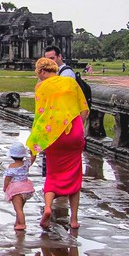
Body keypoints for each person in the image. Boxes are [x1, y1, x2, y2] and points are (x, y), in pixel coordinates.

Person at [26, 57, 89, 229]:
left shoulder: (41, 87)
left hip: (54, 134)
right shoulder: (70, 83)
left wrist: (34, 144)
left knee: (53, 174)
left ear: (42, 72)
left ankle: (47, 208)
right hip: (74, 131)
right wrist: (78, 130)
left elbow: (41, 115)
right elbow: (84, 109)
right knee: (75, 176)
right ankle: (74, 219)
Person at [3, 142, 35, 231]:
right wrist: (33, 152)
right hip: (26, 189)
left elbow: (7, 178)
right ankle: (18, 221)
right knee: (20, 208)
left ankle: (22, 224)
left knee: (18, 209)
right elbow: (33, 159)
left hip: (16, 190)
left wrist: (5, 187)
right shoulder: (26, 163)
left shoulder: (12, 166)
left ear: (12, 156)